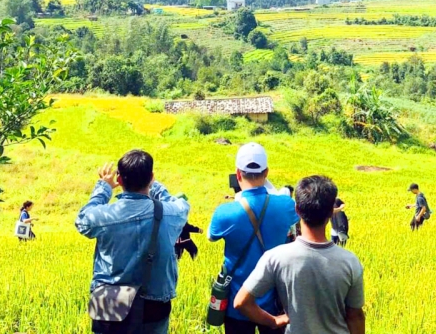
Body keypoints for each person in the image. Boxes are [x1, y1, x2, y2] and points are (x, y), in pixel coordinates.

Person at [75, 150, 190, 334]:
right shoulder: (171, 213)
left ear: (119, 180)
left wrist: (103, 187)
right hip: (154, 305)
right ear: (151, 177)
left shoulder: (105, 216)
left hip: (109, 303)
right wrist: (156, 186)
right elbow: (182, 205)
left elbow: (82, 220)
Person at [234, 176, 365, 334]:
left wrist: (273, 321)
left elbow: (241, 302)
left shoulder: (275, 258)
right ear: (331, 212)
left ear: (297, 210)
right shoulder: (350, 261)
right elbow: (355, 316)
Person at [208, 142, 299, 334]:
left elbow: (211, 236)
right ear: (266, 173)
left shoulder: (225, 212)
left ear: (238, 174)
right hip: (275, 305)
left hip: (237, 304)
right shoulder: (286, 205)